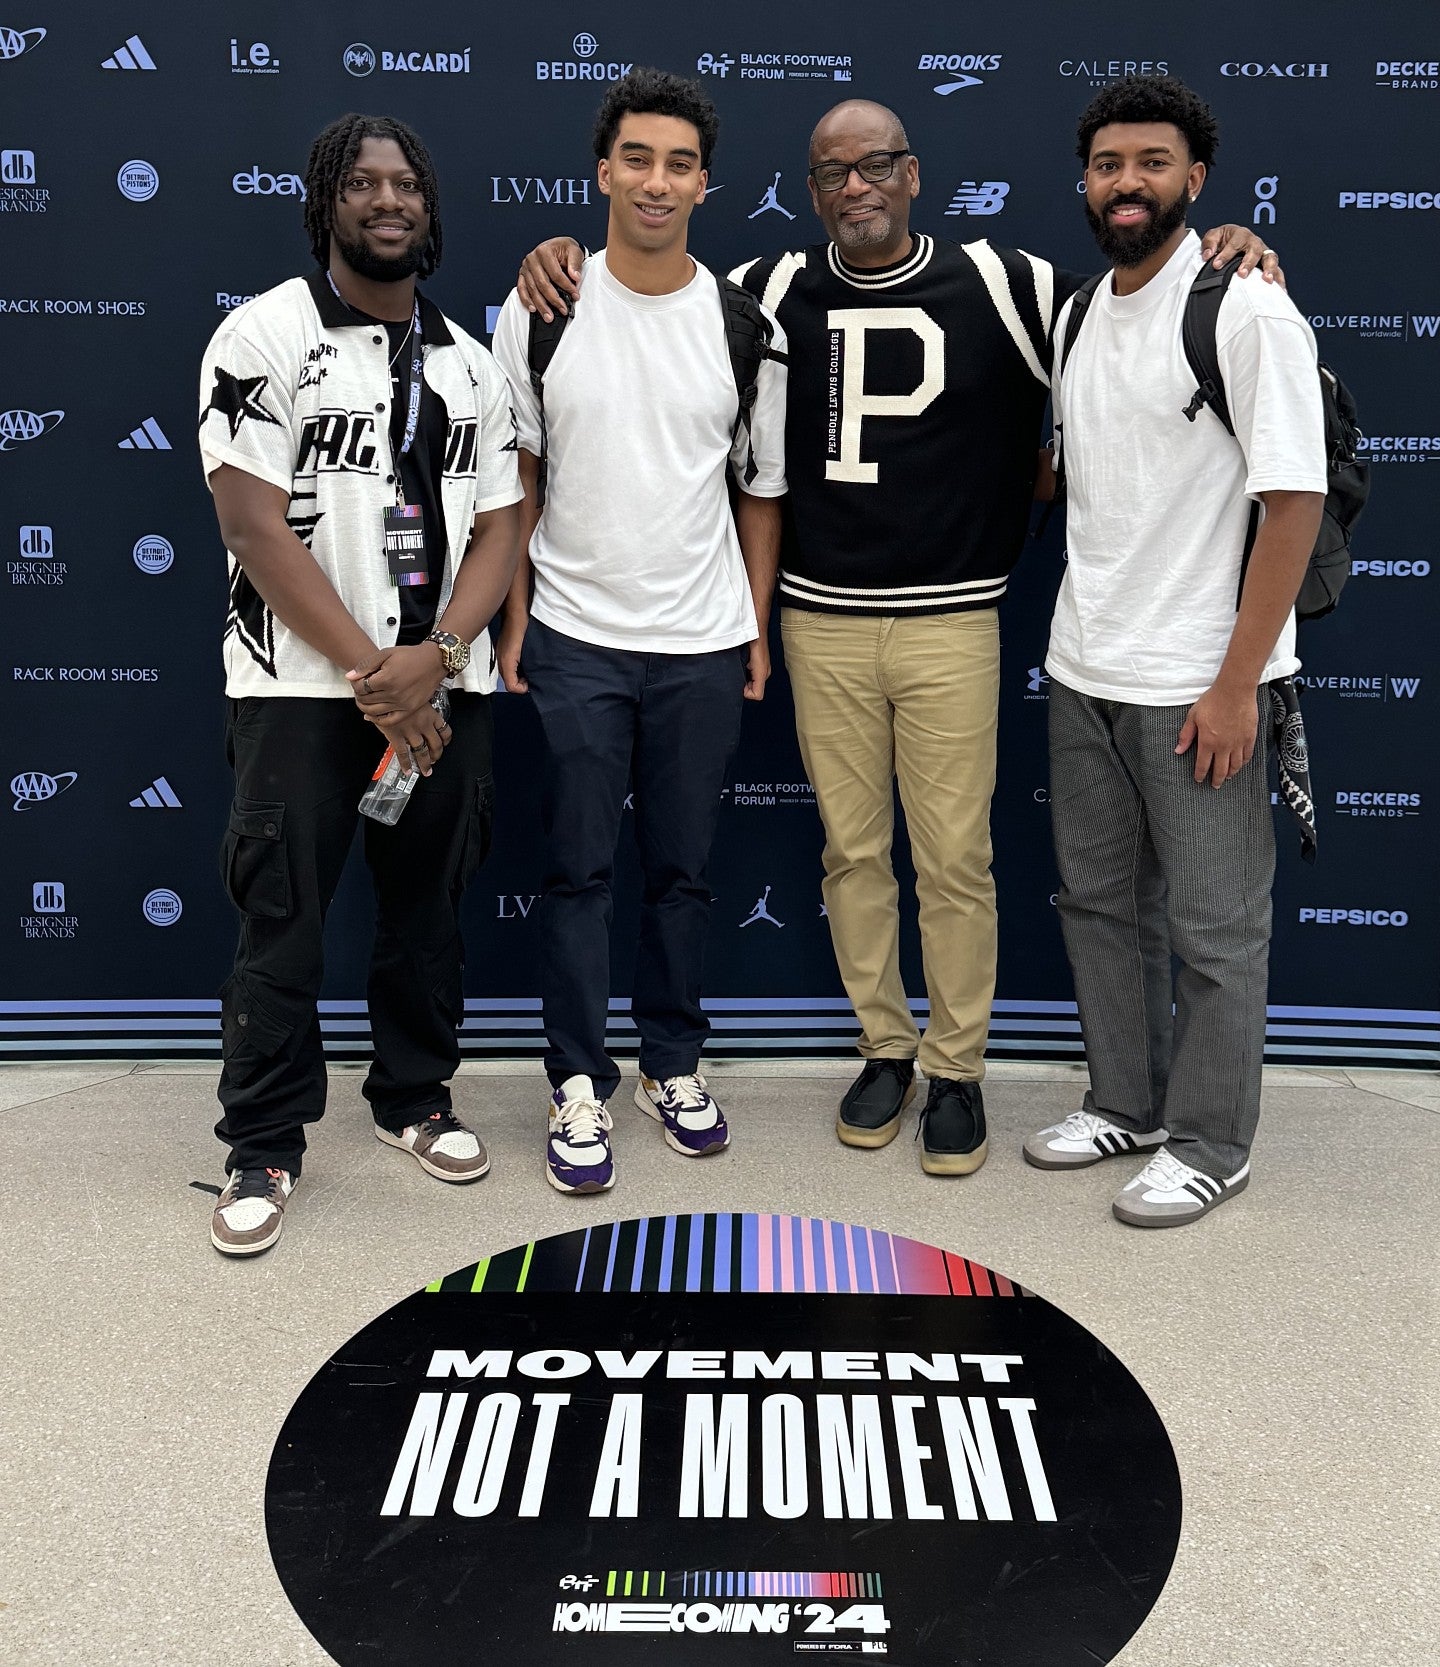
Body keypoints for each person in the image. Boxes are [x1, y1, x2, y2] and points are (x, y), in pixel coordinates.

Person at [517, 99, 1275, 1178]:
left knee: (956, 859)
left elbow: (1140, 303)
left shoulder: (1012, 283)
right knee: (852, 854)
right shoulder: (770, 290)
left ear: (914, 175)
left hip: (955, 619)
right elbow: (654, 332)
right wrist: (555, 255)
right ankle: (885, 1045)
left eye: (878, 166)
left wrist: (1232, 246)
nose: (857, 187)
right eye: (833, 173)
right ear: (811, 188)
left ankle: (956, 1064)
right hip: (821, 618)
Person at [199, 113, 522, 1256]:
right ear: (326, 202)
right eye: (363, 184)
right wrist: (370, 673)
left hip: (444, 686)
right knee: (281, 920)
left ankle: (414, 1099)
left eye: (407, 186)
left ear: (430, 209)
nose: (388, 201)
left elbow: (501, 527)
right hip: (298, 689)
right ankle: (265, 1140)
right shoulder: (264, 336)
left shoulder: (471, 364)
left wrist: (431, 657)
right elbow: (250, 521)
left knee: (427, 909)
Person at [1023, 76, 1325, 1225]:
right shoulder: (1078, 310)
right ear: (1086, 183)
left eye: (1153, 163)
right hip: (1087, 664)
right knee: (1100, 906)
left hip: (1203, 682)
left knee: (1214, 931)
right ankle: (1127, 1100)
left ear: (1194, 180)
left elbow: (1291, 505)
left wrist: (1239, 682)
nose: (1127, 183)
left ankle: (1211, 1141)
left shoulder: (1245, 307)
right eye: (1109, 165)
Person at [491, 68, 787, 1195]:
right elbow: (518, 473)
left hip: (702, 639)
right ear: (604, 170)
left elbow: (759, 489)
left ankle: (673, 1061)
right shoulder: (543, 306)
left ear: (705, 185)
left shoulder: (740, 322)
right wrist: (516, 620)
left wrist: (752, 628)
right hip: (572, 632)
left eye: (679, 164)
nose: (656, 181)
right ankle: (577, 1080)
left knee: (684, 872)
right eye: (638, 159)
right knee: (575, 873)